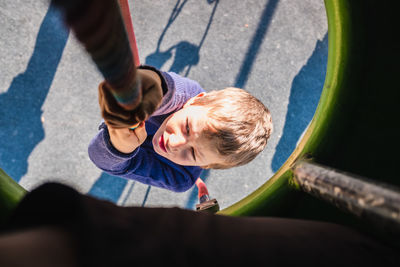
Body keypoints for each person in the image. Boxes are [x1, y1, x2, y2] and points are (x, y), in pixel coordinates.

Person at [88, 65, 273, 192]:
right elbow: (168, 89)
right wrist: (150, 86)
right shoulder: (189, 95)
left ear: (204, 166)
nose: (174, 143)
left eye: (192, 153)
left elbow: (102, 159)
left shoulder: (179, 177)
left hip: (128, 150)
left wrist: (119, 147)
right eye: (186, 128)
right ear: (196, 101)